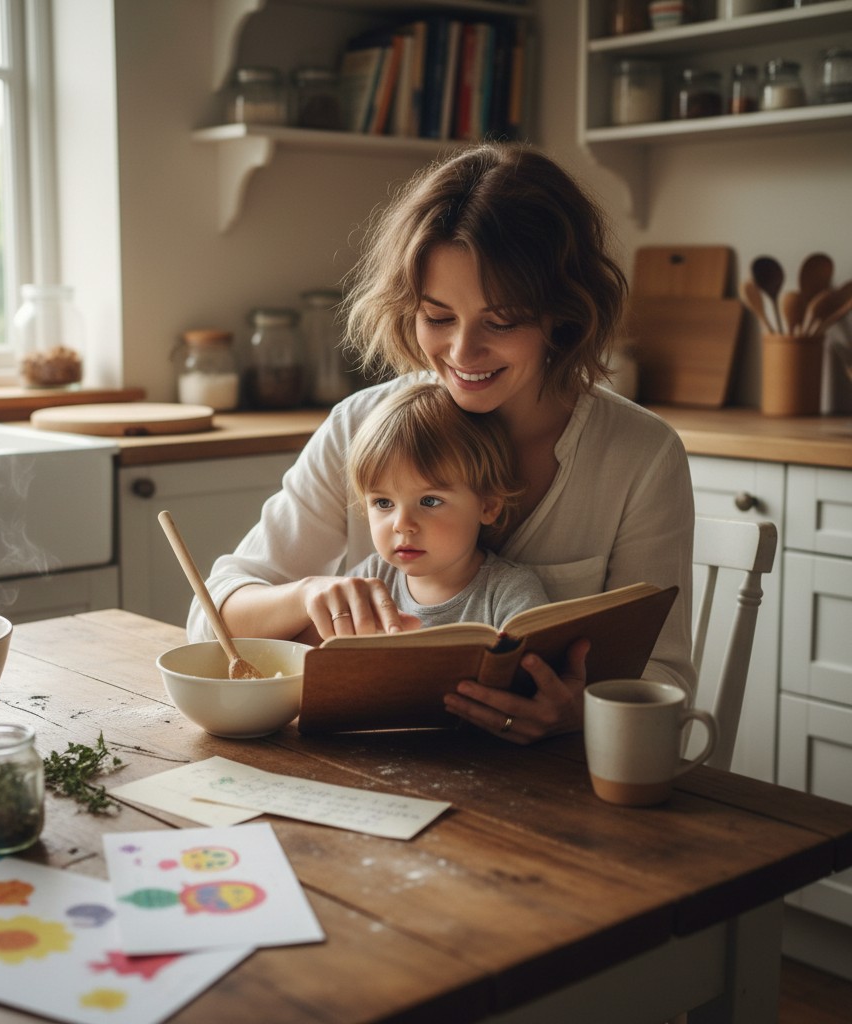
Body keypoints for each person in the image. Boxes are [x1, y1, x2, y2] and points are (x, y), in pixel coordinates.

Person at [188, 141, 695, 745]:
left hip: (556, 794)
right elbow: (208, 621)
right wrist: (309, 593)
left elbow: (664, 679)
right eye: (438, 317)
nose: (461, 353)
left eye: (501, 322)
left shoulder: (640, 455)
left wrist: (577, 716)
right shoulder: (360, 426)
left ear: (563, 313)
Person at [339, 379, 548, 638]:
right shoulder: (368, 580)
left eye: (429, 501)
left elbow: (535, 670)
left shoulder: (508, 593)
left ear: (488, 505)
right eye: (383, 503)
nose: (402, 524)